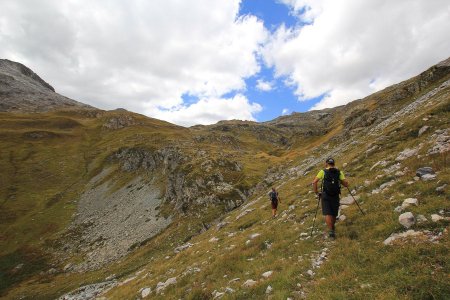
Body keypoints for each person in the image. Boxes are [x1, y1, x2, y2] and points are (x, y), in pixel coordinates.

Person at [312, 158, 348, 239]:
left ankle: (331, 231)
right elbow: (346, 184)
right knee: (334, 212)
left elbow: (314, 182)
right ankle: (333, 227)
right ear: (334, 164)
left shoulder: (323, 171)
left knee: (328, 213)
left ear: (326, 164)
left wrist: (317, 192)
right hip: (335, 194)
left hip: (325, 194)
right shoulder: (339, 172)